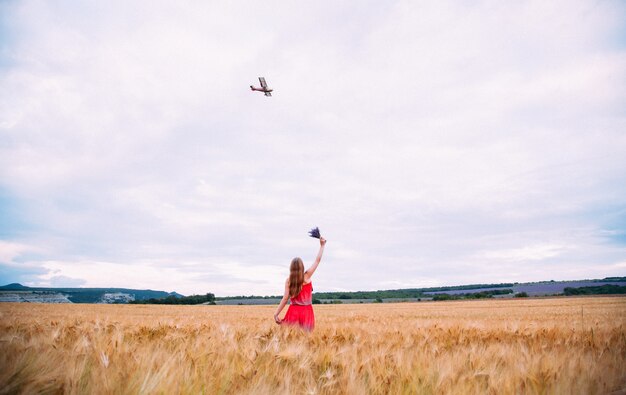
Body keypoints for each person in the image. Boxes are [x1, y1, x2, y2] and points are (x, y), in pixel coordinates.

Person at [274, 236, 327, 331]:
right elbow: (317, 261)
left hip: (293, 311)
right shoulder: (307, 276)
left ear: (291, 268)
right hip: (307, 312)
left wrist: (276, 313)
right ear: (302, 267)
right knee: (306, 338)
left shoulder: (289, 280)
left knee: (290, 339)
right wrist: (322, 246)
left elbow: (285, 299)